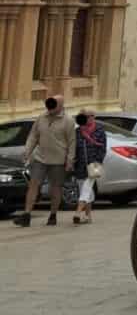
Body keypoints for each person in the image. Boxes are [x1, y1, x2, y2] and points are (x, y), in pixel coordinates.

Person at [14, 96, 74, 226]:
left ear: (61, 106)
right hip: (40, 158)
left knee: (55, 188)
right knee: (33, 185)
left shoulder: (68, 121)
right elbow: (33, 136)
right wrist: (27, 151)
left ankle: (53, 215)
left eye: (54, 104)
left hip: (58, 161)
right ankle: (26, 215)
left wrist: (70, 160)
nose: (51, 107)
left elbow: (72, 142)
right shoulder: (41, 117)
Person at [71, 110, 107, 225]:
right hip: (80, 165)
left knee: (86, 187)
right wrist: (72, 161)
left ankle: (77, 212)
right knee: (86, 190)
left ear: (93, 117)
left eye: (89, 116)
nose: (87, 118)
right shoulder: (77, 131)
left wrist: (98, 161)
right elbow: (74, 148)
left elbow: (102, 148)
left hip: (93, 164)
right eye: (84, 117)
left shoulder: (99, 130)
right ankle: (88, 216)